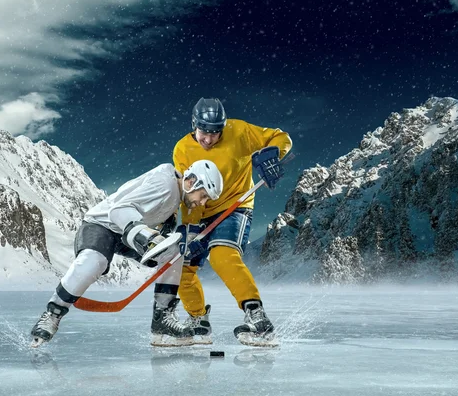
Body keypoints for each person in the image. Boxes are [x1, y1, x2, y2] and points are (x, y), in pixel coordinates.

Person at [30, 159, 224, 347]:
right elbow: (118, 210)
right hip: (102, 225)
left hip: (125, 235)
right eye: (204, 195)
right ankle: (52, 314)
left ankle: (161, 320)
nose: (203, 202)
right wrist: (146, 237)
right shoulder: (165, 185)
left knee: (173, 253)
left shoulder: (174, 194)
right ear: (191, 182)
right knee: (94, 262)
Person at [172, 97, 292, 345]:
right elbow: (188, 192)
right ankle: (198, 321)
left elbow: (282, 138)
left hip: (235, 207)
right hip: (200, 211)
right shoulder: (182, 149)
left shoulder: (239, 131)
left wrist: (271, 155)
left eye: (215, 133)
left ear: (223, 127)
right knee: (182, 266)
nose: (208, 139)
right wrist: (191, 229)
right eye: (204, 132)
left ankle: (257, 317)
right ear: (194, 125)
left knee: (222, 255)